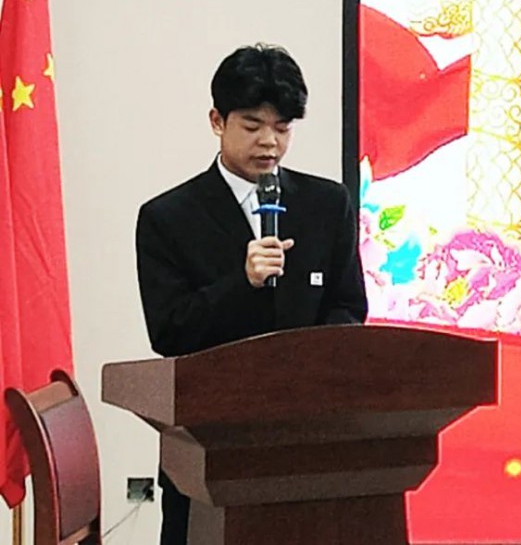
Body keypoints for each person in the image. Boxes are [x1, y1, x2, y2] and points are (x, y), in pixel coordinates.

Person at [134, 43, 368, 544]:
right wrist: (241, 284)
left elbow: (348, 307)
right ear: (217, 121)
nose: (269, 143)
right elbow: (169, 331)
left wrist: (312, 371)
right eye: (252, 125)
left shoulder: (327, 204)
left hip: (309, 443)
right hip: (209, 449)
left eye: (282, 128)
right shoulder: (168, 218)